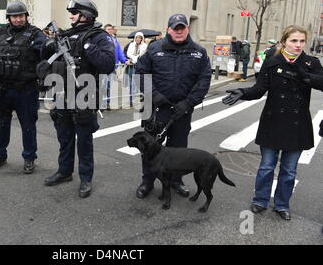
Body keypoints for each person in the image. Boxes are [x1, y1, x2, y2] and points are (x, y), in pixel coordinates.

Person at [223, 25, 323, 221]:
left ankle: (282, 204)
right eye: (294, 40)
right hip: (273, 121)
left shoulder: (311, 62)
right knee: (267, 166)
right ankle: (260, 200)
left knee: (289, 170)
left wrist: (305, 76)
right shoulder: (273, 61)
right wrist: (243, 92)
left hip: (297, 125)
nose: (298, 45)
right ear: (284, 41)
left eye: (302, 41)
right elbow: (259, 89)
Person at [39, 0, 115, 198]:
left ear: (86, 15)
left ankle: (85, 179)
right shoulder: (64, 35)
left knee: (84, 141)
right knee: (64, 138)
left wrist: (88, 45)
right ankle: (64, 172)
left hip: (84, 96)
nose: (71, 16)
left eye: (74, 12)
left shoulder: (99, 37)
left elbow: (107, 64)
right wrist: (48, 46)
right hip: (62, 94)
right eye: (71, 13)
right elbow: (47, 58)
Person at [135, 13, 212, 199]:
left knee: (178, 150)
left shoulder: (199, 52)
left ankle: (175, 180)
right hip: (156, 109)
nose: (178, 31)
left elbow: (204, 80)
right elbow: (140, 74)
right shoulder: (154, 48)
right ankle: (147, 181)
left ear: (187, 29)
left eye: (182, 28)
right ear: (168, 29)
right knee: (150, 149)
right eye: (175, 28)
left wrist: (188, 103)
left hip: (182, 111)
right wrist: (154, 96)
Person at [0, 1, 46, 174]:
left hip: (26, 89)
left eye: (21, 16)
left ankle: (29, 157)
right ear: (8, 18)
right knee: (1, 124)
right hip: (3, 88)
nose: (18, 19)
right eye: (14, 16)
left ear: (26, 16)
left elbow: (46, 56)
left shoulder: (36, 35)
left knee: (28, 126)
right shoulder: (0, 32)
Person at [102, 24, 127, 109]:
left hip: (112, 67)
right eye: (108, 29)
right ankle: (102, 104)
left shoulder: (114, 40)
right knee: (103, 86)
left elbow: (119, 52)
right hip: (103, 66)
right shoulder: (101, 39)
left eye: (111, 29)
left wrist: (125, 60)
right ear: (104, 30)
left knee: (109, 86)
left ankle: (107, 103)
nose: (110, 30)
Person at [126, 32, 147, 106]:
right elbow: (128, 53)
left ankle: (140, 98)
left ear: (142, 39)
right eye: (137, 37)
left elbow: (142, 55)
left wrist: (135, 58)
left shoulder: (144, 46)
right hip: (132, 66)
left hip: (140, 67)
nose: (138, 39)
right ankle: (131, 100)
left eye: (140, 38)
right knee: (131, 83)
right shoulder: (131, 45)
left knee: (138, 83)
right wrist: (133, 58)